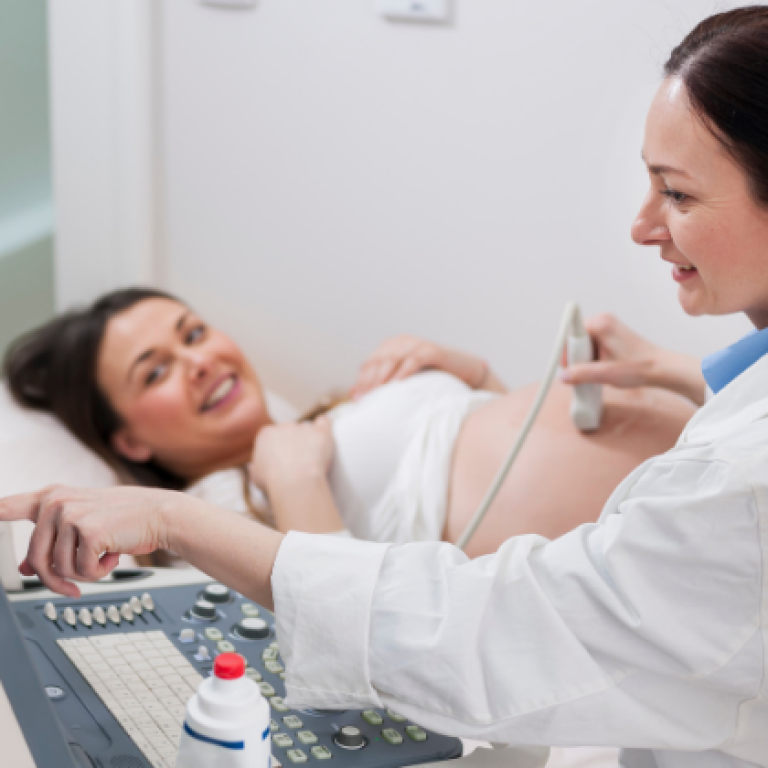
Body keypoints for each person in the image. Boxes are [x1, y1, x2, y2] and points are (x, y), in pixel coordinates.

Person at [2, 7, 767, 765]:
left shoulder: (736, 480)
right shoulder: (236, 499)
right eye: (156, 373)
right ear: (128, 439)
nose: (642, 225)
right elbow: (443, 598)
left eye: (678, 193)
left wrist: (471, 389)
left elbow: (505, 619)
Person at [3, 289, 697, 557]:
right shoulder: (211, 513)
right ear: (129, 441)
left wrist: (466, 370)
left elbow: (492, 449)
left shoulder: (327, 411)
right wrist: (294, 477)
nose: (198, 362)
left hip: (696, 457)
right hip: (666, 536)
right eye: (154, 372)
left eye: (193, 333)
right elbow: (338, 614)